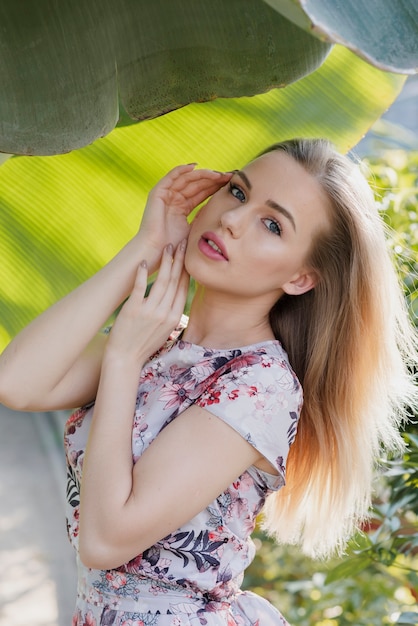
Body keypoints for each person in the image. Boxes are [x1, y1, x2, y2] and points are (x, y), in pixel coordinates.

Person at [0, 138, 416, 626]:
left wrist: (123, 359)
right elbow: (17, 382)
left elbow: (104, 541)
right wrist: (145, 249)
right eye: (238, 192)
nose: (231, 220)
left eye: (272, 225)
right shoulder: (158, 341)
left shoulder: (260, 386)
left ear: (301, 278)